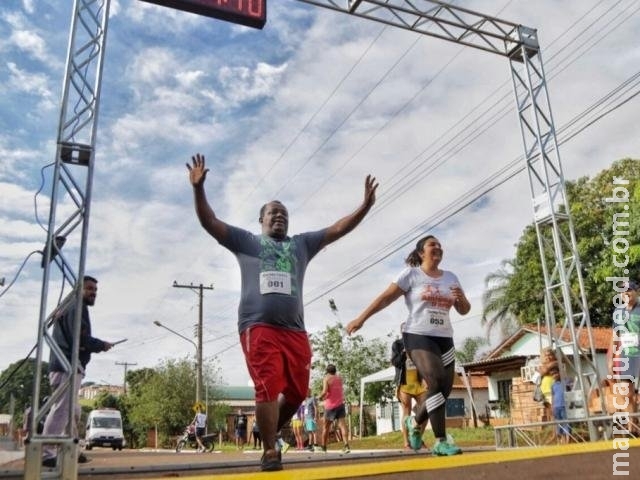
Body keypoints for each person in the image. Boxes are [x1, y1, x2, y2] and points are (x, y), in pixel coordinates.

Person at [186, 153, 377, 471]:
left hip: (295, 330)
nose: (279, 218)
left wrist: (365, 207)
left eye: (284, 215)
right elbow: (210, 222)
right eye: (273, 213)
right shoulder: (246, 242)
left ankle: (267, 429)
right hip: (258, 326)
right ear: (261, 220)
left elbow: (336, 229)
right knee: (267, 385)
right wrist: (198, 189)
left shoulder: (301, 245)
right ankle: (270, 450)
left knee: (298, 391)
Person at [346, 235, 470, 456]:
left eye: (440, 245)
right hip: (418, 335)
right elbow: (385, 298)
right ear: (422, 253)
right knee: (435, 380)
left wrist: (461, 298)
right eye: (433, 245)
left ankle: (415, 421)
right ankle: (441, 441)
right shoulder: (412, 275)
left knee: (443, 390)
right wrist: (361, 318)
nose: (438, 248)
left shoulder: (451, 277)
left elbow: (464, 309)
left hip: (445, 338)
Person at [41, 275, 113, 468]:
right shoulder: (75, 307)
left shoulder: (70, 307)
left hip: (68, 365)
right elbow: (80, 339)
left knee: (72, 411)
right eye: (90, 289)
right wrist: (101, 345)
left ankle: (72, 450)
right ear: (78, 289)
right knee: (62, 410)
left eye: (95, 290)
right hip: (66, 366)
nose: (93, 293)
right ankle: (46, 453)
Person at [609, 279, 640, 435]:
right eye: (623, 291)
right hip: (626, 357)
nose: (626, 293)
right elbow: (615, 336)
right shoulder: (618, 312)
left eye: (629, 290)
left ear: (636, 291)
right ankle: (632, 425)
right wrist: (610, 358)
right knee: (628, 394)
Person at [391, 335, 428, 450]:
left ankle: (417, 439)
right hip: (404, 383)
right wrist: (404, 353)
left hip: (419, 382)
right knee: (406, 411)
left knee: (426, 410)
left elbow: (425, 361)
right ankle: (406, 443)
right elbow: (395, 362)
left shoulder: (419, 343)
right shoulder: (397, 344)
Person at [318, 364, 350, 453]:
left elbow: (324, 391)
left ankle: (323, 448)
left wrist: (319, 397)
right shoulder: (340, 378)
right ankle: (346, 446)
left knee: (326, 427)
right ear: (335, 371)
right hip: (340, 404)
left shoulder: (326, 379)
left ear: (327, 372)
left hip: (330, 406)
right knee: (343, 426)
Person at [550, 366, 571, 444]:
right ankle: (562, 440)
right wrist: (552, 407)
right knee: (559, 424)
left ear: (559, 373)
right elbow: (552, 396)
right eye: (552, 374)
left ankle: (568, 440)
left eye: (555, 373)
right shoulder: (553, 385)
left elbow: (570, 389)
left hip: (564, 406)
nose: (554, 375)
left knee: (566, 422)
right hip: (556, 407)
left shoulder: (565, 381)